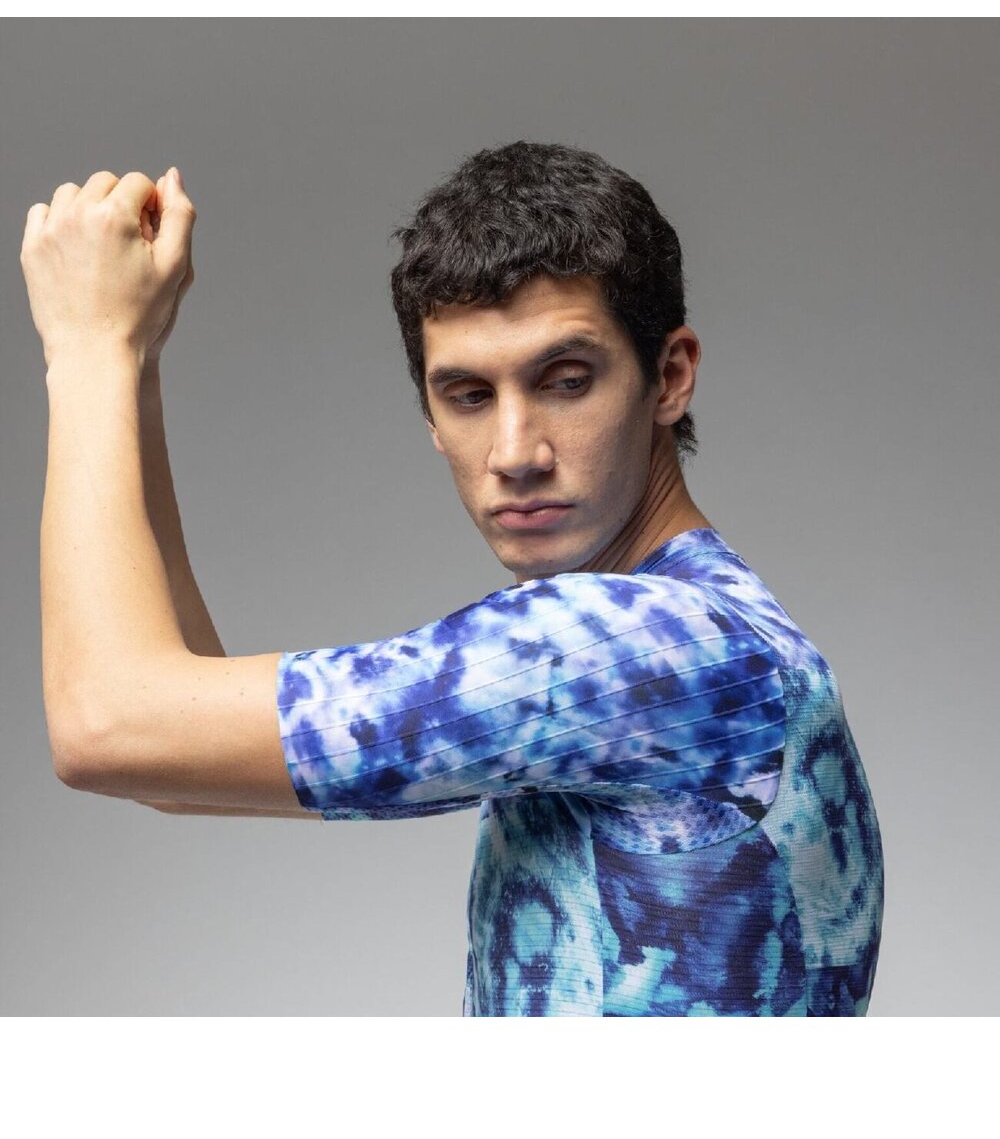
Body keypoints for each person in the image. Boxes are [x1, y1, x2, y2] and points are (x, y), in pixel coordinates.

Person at [29, 142, 884, 1017]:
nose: (515, 453)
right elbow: (171, 766)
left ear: (668, 377)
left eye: (566, 381)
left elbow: (108, 723)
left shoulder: (639, 644)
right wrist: (136, 363)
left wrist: (88, 345)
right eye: (470, 395)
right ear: (432, 418)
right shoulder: (715, 633)